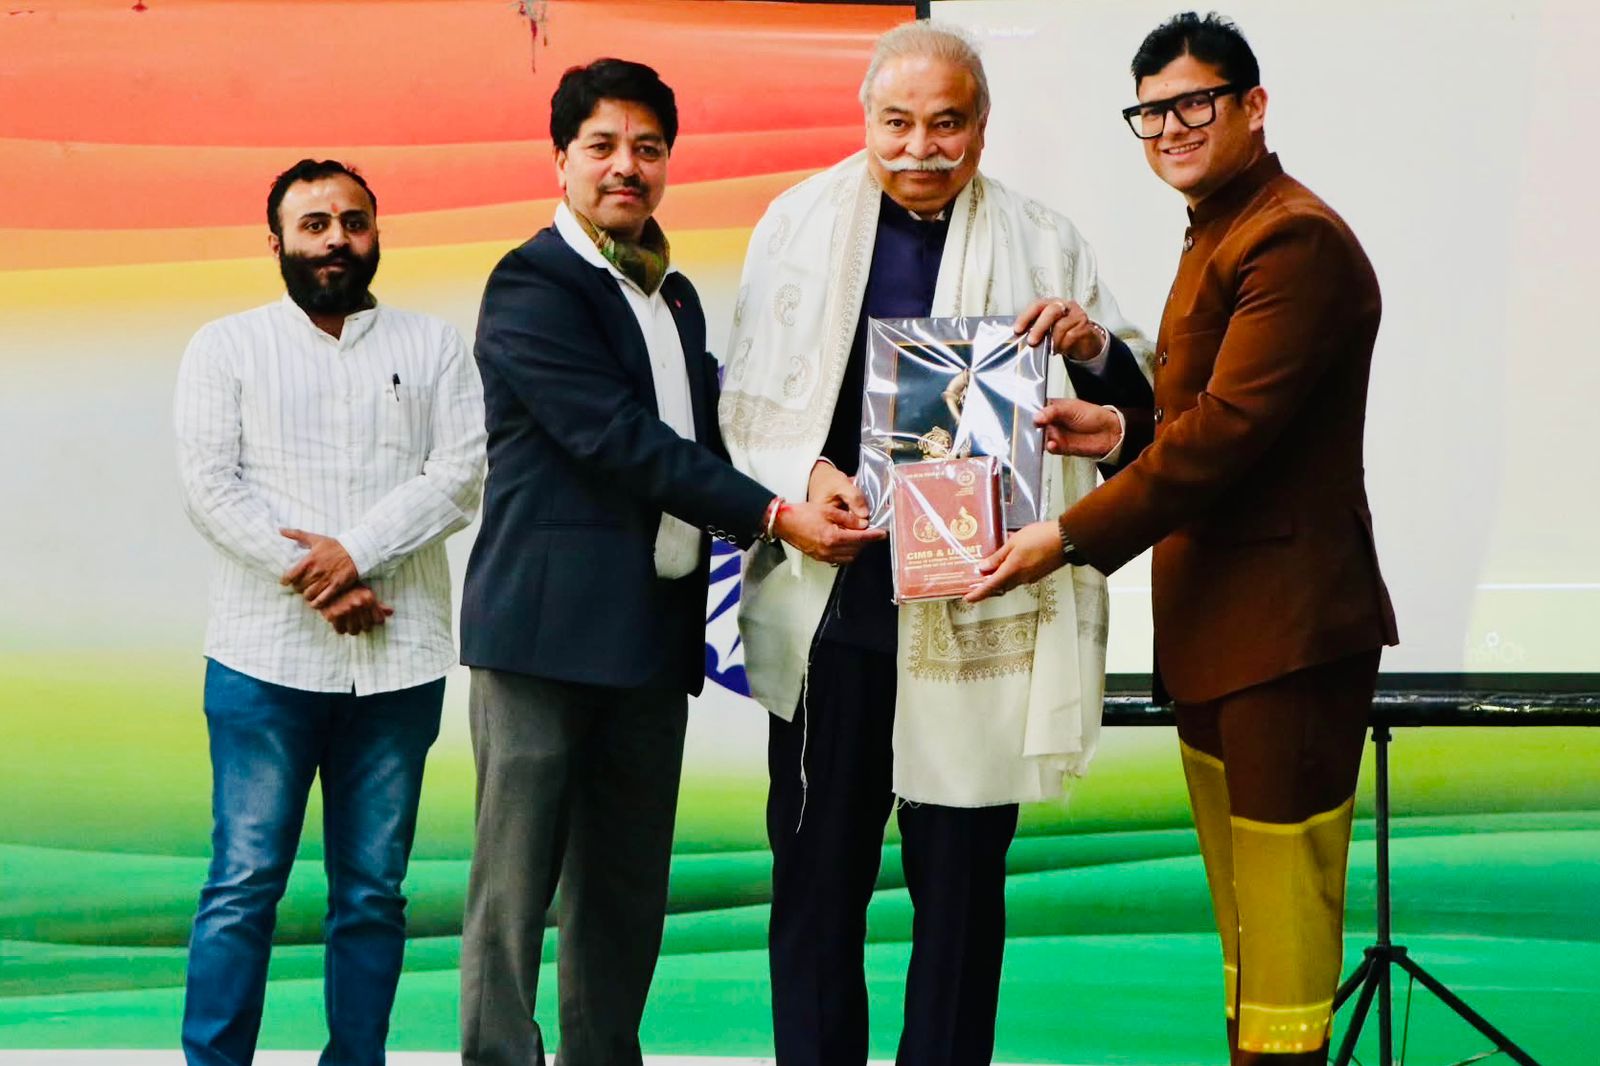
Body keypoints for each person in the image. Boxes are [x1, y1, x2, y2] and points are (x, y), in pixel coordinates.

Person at [718, 22, 1153, 1066]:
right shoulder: (794, 224)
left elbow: (1137, 405)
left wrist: (1091, 349)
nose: (921, 147)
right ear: (865, 119)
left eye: (946, 123)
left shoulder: (1044, 241)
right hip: (837, 609)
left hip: (980, 606)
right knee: (816, 880)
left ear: (983, 125)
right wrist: (801, 475)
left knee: (960, 893)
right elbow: (741, 398)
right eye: (897, 122)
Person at [968, 13, 1400, 1064]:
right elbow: (1210, 421)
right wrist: (1119, 431)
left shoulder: (1290, 238)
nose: (1170, 127)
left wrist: (1065, 535)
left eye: (1194, 103)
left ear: (1253, 106)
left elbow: (1229, 435)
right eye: (1150, 112)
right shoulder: (1219, 227)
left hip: (1286, 636)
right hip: (1222, 634)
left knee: (1283, 932)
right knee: (1246, 929)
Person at [458, 58, 879, 1066]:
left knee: (624, 888)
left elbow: (712, 424)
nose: (626, 166)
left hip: (649, 634)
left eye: (647, 148)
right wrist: (773, 514)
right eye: (602, 146)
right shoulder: (533, 283)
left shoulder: (673, 293)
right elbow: (619, 440)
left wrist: (807, 471)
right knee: (515, 889)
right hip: (544, 638)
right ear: (560, 159)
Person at [174, 158, 486, 1066]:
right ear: (275, 241)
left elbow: (459, 475)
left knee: (373, 893)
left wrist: (355, 553)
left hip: (398, 663)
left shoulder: (435, 347)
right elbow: (210, 488)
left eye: (353, 222)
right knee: (243, 885)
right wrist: (319, 577)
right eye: (313, 225)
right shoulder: (225, 347)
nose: (335, 240)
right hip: (261, 663)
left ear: (376, 235)